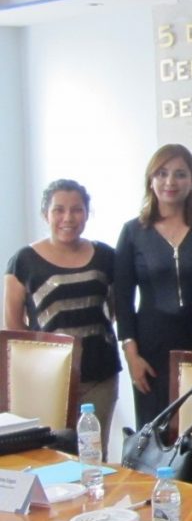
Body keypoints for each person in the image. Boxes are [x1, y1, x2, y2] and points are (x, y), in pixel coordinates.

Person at [4, 180, 121, 454]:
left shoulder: (106, 256)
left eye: (77, 210)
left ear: (87, 213)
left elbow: (115, 309)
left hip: (100, 374)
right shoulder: (23, 261)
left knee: (94, 454)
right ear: (45, 214)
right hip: (48, 379)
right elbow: (14, 324)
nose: (68, 218)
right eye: (59, 210)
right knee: (51, 455)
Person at [115, 144, 192, 428]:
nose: (170, 182)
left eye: (180, 174)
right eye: (162, 174)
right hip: (152, 351)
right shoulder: (133, 231)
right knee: (156, 434)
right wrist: (131, 355)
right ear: (150, 180)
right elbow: (122, 299)